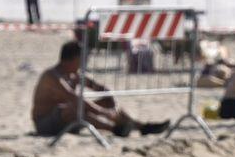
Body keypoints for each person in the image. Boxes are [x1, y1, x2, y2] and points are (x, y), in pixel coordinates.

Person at [31, 41, 170, 137]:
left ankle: (141, 127)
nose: (84, 63)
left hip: (69, 118)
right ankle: (114, 129)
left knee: (105, 102)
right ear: (71, 59)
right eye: (81, 59)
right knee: (74, 108)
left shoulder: (74, 75)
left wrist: (111, 104)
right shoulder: (52, 76)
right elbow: (74, 98)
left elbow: (101, 89)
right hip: (46, 123)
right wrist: (104, 113)